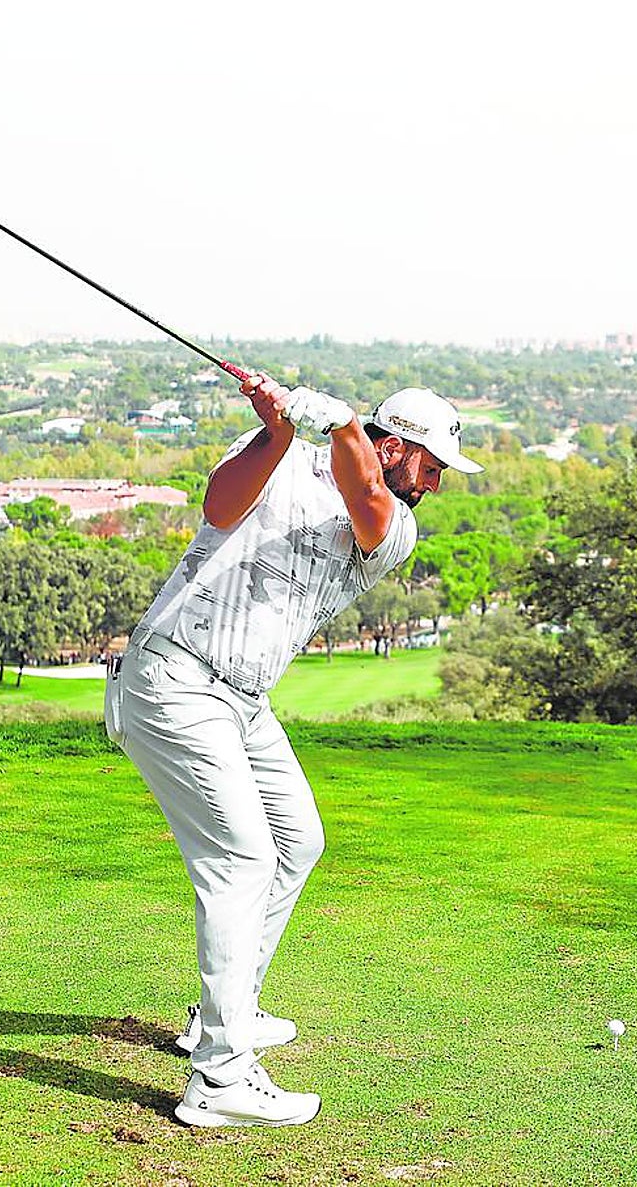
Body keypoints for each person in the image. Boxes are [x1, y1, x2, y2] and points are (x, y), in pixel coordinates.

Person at [103, 374, 483, 1128]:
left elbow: (368, 503)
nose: (435, 485)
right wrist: (279, 430)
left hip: (243, 700)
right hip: (177, 675)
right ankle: (220, 1078)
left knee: (297, 841)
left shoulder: (396, 525)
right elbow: (220, 507)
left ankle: (223, 1014)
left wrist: (340, 427)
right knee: (242, 860)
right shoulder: (281, 455)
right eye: (432, 467)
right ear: (397, 446)